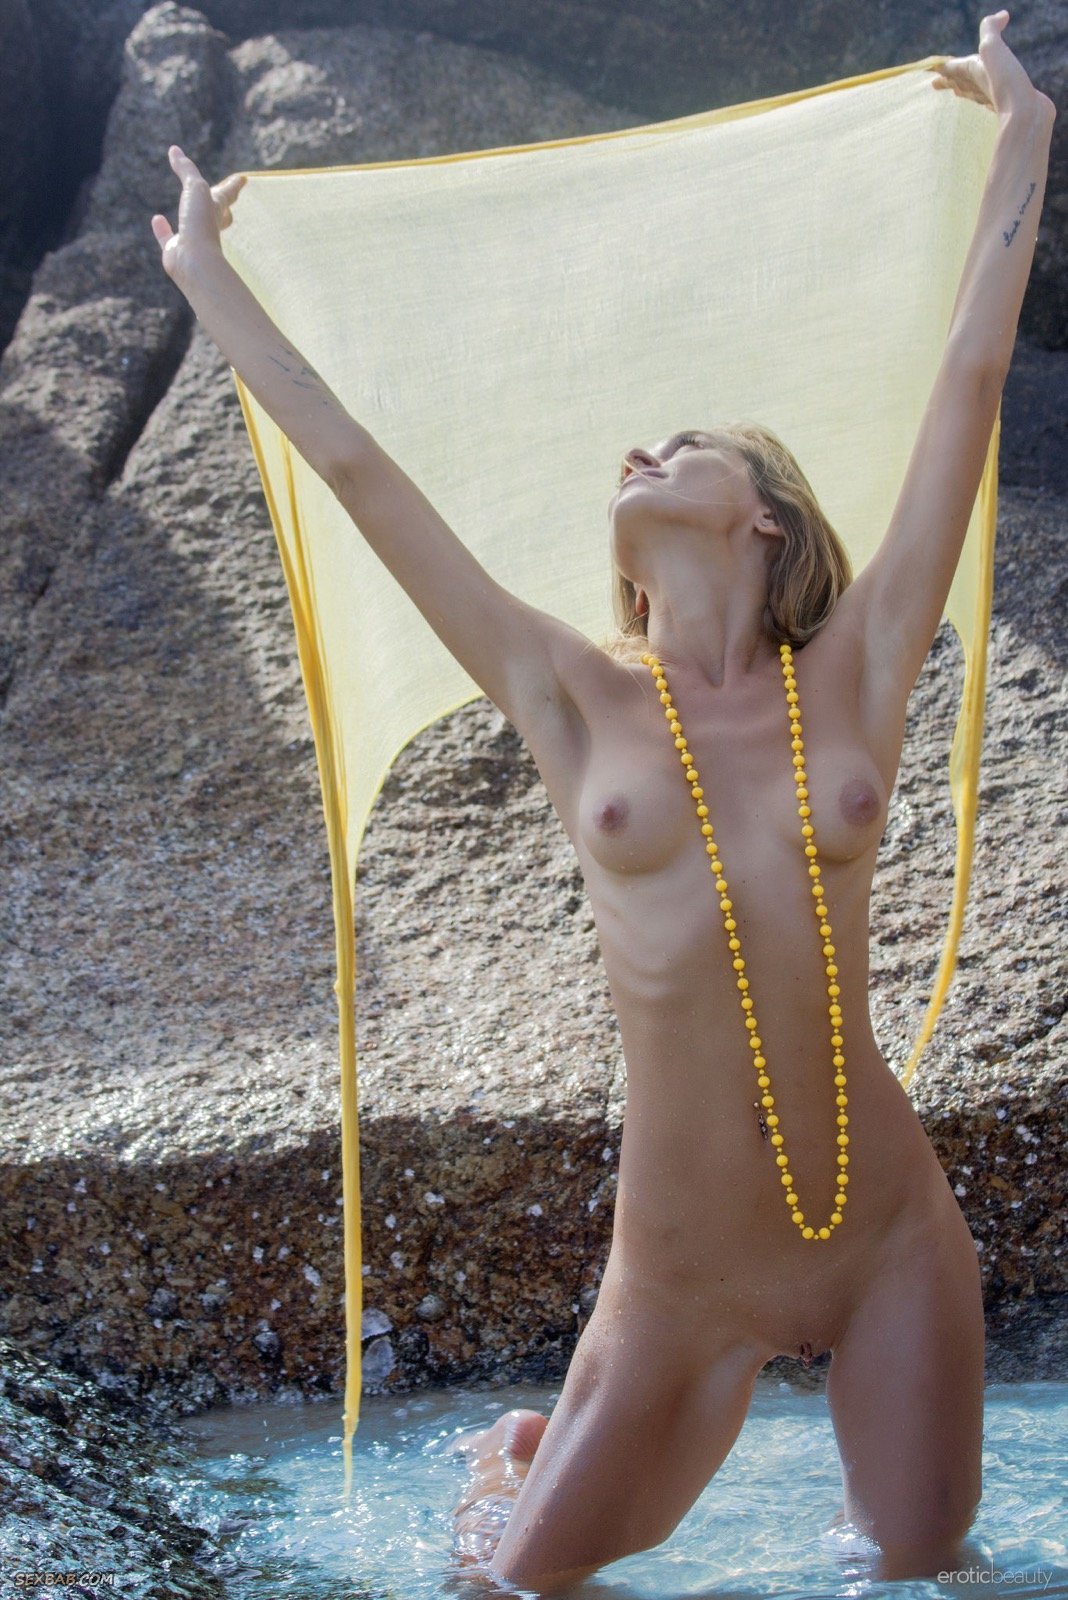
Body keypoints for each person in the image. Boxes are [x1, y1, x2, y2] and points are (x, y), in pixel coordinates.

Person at [151, 10, 1054, 1594]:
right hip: (682, 1278)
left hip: (888, 1235)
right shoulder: (571, 691)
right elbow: (362, 473)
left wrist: (1025, 134)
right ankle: (508, 1457)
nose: (638, 450)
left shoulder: (853, 671)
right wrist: (209, 283)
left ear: (764, 517)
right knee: (512, 1587)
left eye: (681, 445)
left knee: (931, 1568)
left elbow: (969, 379)